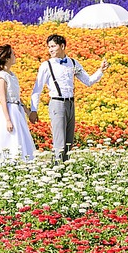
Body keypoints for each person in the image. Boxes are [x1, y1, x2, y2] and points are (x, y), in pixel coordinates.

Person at [28, 33, 109, 162]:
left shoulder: (72, 63)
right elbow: (37, 89)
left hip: (70, 103)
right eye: (49, 47)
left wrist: (101, 70)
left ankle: (66, 171)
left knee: (68, 143)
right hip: (57, 103)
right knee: (59, 143)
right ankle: (57, 170)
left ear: (62, 46)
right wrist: (34, 109)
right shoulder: (46, 65)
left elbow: (88, 81)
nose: (51, 50)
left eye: (53, 46)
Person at [0, 44, 36, 165]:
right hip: (9, 110)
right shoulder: (2, 76)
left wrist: (27, 112)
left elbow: (17, 97)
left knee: (20, 138)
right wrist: (7, 119)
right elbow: (3, 99)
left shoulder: (12, 75)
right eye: (12, 54)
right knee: (9, 138)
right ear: (7, 58)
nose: (15, 56)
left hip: (17, 110)